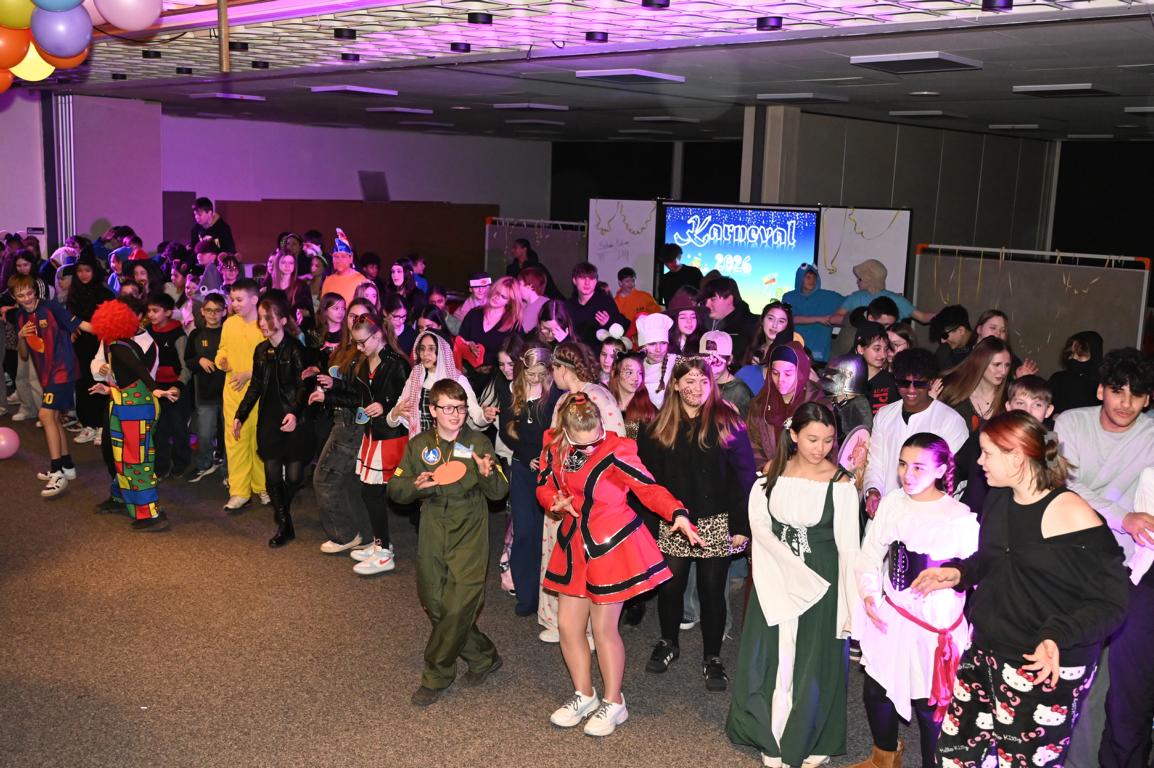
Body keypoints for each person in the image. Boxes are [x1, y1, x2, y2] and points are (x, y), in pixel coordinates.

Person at [912, 411, 1130, 768]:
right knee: (953, 757)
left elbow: (1112, 601)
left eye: (987, 453)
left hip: (1042, 664)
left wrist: (1057, 636)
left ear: (1016, 457)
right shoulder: (1000, 497)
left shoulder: (1072, 514)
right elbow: (995, 558)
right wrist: (959, 572)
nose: (979, 462)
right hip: (986, 650)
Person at [537, 392, 702, 736]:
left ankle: (615, 701)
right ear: (566, 432)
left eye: (594, 436)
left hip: (611, 547)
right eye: (582, 440)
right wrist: (554, 501)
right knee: (567, 626)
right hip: (573, 545)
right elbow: (544, 484)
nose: (590, 444)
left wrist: (677, 513)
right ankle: (584, 694)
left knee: (603, 629)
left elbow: (648, 488)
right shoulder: (554, 445)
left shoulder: (617, 449)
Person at [727, 402, 861, 768]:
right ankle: (769, 731)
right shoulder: (772, 474)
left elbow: (849, 549)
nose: (821, 448)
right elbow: (759, 525)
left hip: (821, 578)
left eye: (829, 440)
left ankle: (808, 735)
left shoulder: (840, 484)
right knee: (771, 652)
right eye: (813, 439)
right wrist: (778, 566)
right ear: (794, 434)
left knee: (814, 659)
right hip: (775, 571)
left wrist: (852, 606)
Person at [1051, 348, 1154, 768]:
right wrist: (1121, 514)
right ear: (1100, 391)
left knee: (1112, 680)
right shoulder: (1071, 423)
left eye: (1137, 394)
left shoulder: (1151, 434)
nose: (1126, 402)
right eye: (1117, 391)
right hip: (1068, 557)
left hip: (1126, 568)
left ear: (1148, 399)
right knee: (1063, 667)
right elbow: (1063, 484)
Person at [849, 434, 978, 768]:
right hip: (892, 617)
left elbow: (976, 578)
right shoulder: (893, 502)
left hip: (933, 630)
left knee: (928, 707)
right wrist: (869, 594)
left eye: (919, 467)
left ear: (941, 470)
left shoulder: (960, 518)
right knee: (876, 691)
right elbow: (870, 554)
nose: (907, 474)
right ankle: (884, 758)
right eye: (903, 464)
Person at [637, 357, 756, 691]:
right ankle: (668, 641)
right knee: (670, 587)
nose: (697, 388)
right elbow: (648, 482)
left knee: (712, 591)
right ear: (675, 385)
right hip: (674, 520)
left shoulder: (728, 421)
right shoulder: (658, 425)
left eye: (703, 381)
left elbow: (745, 477)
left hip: (717, 520)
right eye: (689, 381)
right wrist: (651, 526)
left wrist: (741, 525)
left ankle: (712, 656)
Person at [388, 378, 509, 706]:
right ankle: (483, 656)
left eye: (460, 408)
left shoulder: (479, 443)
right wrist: (415, 486)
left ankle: (436, 673)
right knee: (435, 602)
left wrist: (487, 473)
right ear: (433, 410)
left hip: (469, 526)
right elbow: (395, 490)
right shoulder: (418, 445)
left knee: (459, 605)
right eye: (448, 408)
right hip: (432, 526)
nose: (455, 414)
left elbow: (499, 492)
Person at [317, 314, 410, 575]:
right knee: (370, 492)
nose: (358, 348)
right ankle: (381, 544)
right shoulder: (365, 362)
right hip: (372, 433)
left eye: (362, 342)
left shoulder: (397, 363)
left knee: (373, 493)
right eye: (356, 342)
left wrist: (386, 406)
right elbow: (356, 398)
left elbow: (408, 400)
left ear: (378, 335)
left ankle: (384, 550)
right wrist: (329, 394)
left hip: (390, 436)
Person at [232, 294, 315, 548]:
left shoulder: (296, 349)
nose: (263, 323)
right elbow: (256, 386)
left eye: (268, 318)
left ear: (282, 320)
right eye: (260, 318)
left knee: (294, 476)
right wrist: (240, 414)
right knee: (272, 475)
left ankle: (282, 507)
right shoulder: (261, 350)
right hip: (269, 419)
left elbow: (304, 386)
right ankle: (284, 523)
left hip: (294, 419)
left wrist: (294, 412)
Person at [88, 297, 178, 530]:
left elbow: (140, 372)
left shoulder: (122, 346)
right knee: (123, 458)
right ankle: (123, 498)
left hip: (135, 410)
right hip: (125, 405)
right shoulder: (121, 343)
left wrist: (155, 388)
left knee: (136, 461)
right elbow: (128, 378)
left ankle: (151, 514)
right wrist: (108, 389)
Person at [863, 348, 968, 517]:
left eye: (919, 384)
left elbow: (954, 476)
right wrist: (873, 491)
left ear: (930, 383)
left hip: (929, 517)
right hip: (885, 513)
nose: (911, 390)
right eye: (904, 383)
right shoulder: (884, 415)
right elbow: (875, 463)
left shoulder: (950, 421)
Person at [499, 342, 561, 617]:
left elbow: (558, 432)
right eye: (530, 373)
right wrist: (527, 457)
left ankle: (550, 594)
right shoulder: (512, 390)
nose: (535, 379)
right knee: (524, 532)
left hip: (550, 469)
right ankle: (526, 594)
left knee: (547, 534)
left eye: (540, 374)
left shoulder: (556, 394)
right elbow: (505, 431)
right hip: (523, 469)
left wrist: (545, 457)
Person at [9, 274, 85, 497]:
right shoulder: (20, 316)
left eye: (29, 293)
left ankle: (57, 471)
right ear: (14, 297)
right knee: (54, 418)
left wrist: (108, 329)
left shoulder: (51, 307)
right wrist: (21, 337)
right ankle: (67, 465)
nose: (27, 298)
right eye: (21, 296)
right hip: (46, 374)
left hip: (62, 370)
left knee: (45, 415)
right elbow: (24, 354)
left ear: (36, 291)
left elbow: (80, 325)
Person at [311, 300, 376, 555]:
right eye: (352, 316)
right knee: (347, 482)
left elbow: (361, 396)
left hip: (352, 424)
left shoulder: (367, 352)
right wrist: (326, 382)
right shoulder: (345, 348)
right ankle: (363, 535)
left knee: (325, 480)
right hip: (340, 420)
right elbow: (344, 383)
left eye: (362, 317)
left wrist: (330, 394)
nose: (355, 321)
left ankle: (346, 534)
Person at [961, 374, 1055, 520]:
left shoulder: (1050, 439)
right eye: (1020, 403)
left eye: (1037, 405)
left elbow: (1052, 481)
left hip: (1024, 515)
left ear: (1048, 411)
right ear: (1008, 406)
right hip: (978, 514)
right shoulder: (988, 433)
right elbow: (957, 466)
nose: (1027, 411)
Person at [215, 278, 268, 511]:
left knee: (259, 441)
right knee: (235, 441)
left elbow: (273, 359)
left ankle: (262, 486)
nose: (234, 304)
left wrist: (250, 373)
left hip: (260, 393)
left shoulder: (265, 324)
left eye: (239, 299)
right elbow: (223, 349)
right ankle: (239, 491)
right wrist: (222, 360)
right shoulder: (229, 324)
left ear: (254, 299)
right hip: (234, 393)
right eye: (232, 299)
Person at [747, 341, 829, 471]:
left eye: (788, 374)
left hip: (809, 475)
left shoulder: (818, 403)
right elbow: (752, 444)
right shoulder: (760, 403)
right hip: (769, 474)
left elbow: (828, 447)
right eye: (775, 373)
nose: (781, 380)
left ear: (801, 371)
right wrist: (764, 467)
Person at [391, 330, 487, 440]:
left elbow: (477, 415)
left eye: (431, 349)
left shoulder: (457, 379)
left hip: (451, 445)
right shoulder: (416, 376)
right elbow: (393, 420)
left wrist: (485, 416)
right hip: (421, 444)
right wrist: (394, 413)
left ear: (442, 350)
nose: (425, 353)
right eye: (422, 348)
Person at [67, 253, 114, 446]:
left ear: (95, 271)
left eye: (87, 270)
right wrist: (71, 329)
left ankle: (102, 425)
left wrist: (79, 324)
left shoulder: (105, 293)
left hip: (100, 343)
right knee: (82, 383)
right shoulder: (74, 292)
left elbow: (108, 322)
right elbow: (68, 317)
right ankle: (88, 424)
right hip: (79, 344)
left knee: (99, 380)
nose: (83, 274)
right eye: (79, 271)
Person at [145, 293, 192, 479]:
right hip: (155, 387)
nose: (151, 314)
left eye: (155, 311)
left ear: (168, 312)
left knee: (179, 427)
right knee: (159, 429)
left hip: (175, 388)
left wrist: (179, 385)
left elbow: (186, 365)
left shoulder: (178, 334)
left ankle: (181, 463)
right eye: (149, 311)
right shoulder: (147, 332)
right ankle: (161, 465)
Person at [186, 292, 227, 483]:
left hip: (228, 392)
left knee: (229, 436)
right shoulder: (196, 334)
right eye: (209, 310)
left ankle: (229, 471)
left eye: (217, 310)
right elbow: (188, 360)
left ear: (224, 312)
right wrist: (199, 360)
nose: (213, 314)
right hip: (205, 393)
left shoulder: (228, 333)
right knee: (204, 434)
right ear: (202, 311)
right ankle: (204, 463)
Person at [458, 276, 521, 374]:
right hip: (466, 372)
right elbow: (460, 341)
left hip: (496, 375)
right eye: (497, 292)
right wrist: (468, 345)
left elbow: (514, 356)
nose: (497, 297)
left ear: (509, 301)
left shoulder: (513, 324)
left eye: (503, 297)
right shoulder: (474, 313)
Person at [786, 264, 844, 364]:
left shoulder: (828, 297)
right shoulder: (789, 297)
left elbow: (849, 303)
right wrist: (819, 319)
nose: (812, 281)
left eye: (814, 277)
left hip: (819, 355)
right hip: (795, 353)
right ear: (800, 278)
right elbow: (790, 318)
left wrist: (836, 320)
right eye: (808, 277)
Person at [737, 300, 798, 394]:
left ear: (787, 327)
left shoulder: (791, 353)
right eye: (770, 318)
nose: (774, 325)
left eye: (781, 321)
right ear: (762, 321)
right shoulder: (754, 348)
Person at [701, 277, 759, 366]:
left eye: (713, 299)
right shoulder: (703, 323)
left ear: (729, 299)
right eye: (706, 300)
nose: (707, 305)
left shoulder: (753, 326)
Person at [566, 262, 626, 348]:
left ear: (596, 281)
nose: (587, 283)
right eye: (582, 278)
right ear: (574, 280)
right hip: (576, 352)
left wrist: (608, 324)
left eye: (591, 278)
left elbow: (621, 332)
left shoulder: (606, 302)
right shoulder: (568, 305)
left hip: (600, 353)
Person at [1048, 331, 1103, 415]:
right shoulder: (1057, 379)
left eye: (1080, 355)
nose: (1073, 359)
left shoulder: (1102, 385)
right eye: (1071, 354)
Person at [700, 330, 753, 415]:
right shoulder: (700, 383)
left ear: (730, 360)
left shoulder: (739, 392)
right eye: (706, 361)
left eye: (717, 362)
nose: (711, 369)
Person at [853, 321, 898, 416]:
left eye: (885, 349)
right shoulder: (847, 379)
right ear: (860, 349)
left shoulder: (891, 381)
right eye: (877, 349)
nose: (883, 355)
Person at [636, 313, 677, 408]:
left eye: (663, 343)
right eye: (652, 344)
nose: (658, 349)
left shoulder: (677, 361)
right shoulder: (636, 366)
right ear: (642, 346)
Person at [319, 228, 365, 306]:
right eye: (336, 256)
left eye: (343, 256)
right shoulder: (328, 280)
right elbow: (323, 307)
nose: (339, 260)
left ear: (351, 258)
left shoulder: (361, 281)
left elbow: (365, 308)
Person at [929, 305, 973, 372]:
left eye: (944, 335)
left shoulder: (982, 349)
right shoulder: (943, 352)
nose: (942, 341)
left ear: (961, 330)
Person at [665, 289, 703, 355]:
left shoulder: (703, 343)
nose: (689, 321)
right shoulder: (664, 344)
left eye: (693, 317)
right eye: (683, 317)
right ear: (674, 320)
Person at [517, 265, 549, 333]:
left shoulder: (545, 304)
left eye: (520, 284)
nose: (517, 287)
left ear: (530, 285)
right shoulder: (523, 304)